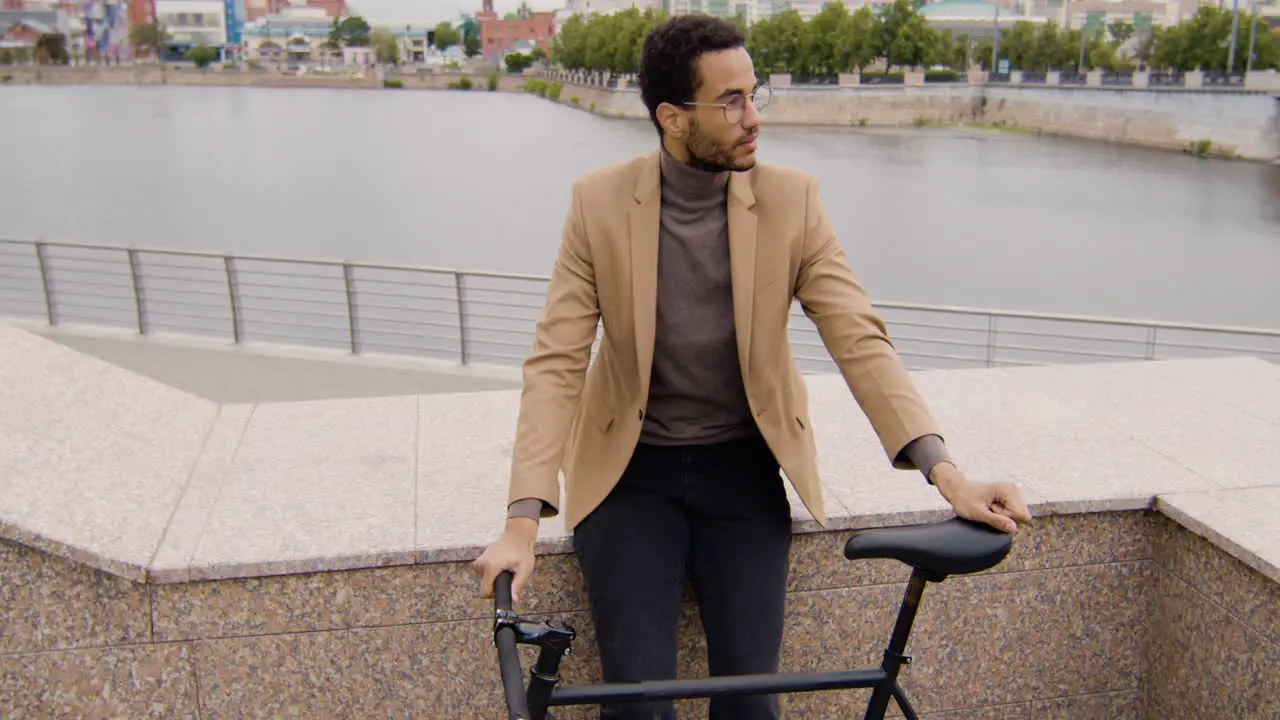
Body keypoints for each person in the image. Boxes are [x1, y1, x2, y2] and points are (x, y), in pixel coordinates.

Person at [472, 14, 1032, 720]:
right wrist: (522, 522)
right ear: (672, 118)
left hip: (743, 470)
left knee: (751, 704)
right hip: (629, 476)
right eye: (731, 100)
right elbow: (557, 360)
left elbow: (859, 339)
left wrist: (947, 473)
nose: (753, 117)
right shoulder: (599, 203)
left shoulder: (792, 201)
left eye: (754, 94)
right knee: (637, 707)